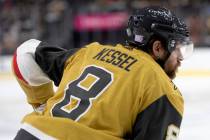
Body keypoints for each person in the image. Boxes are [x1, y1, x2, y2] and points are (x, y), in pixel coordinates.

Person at [12, 6, 193, 140]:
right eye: (178, 49)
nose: (180, 58)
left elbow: (25, 52)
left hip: (31, 133)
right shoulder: (162, 89)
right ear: (158, 47)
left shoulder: (88, 53)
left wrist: (43, 106)